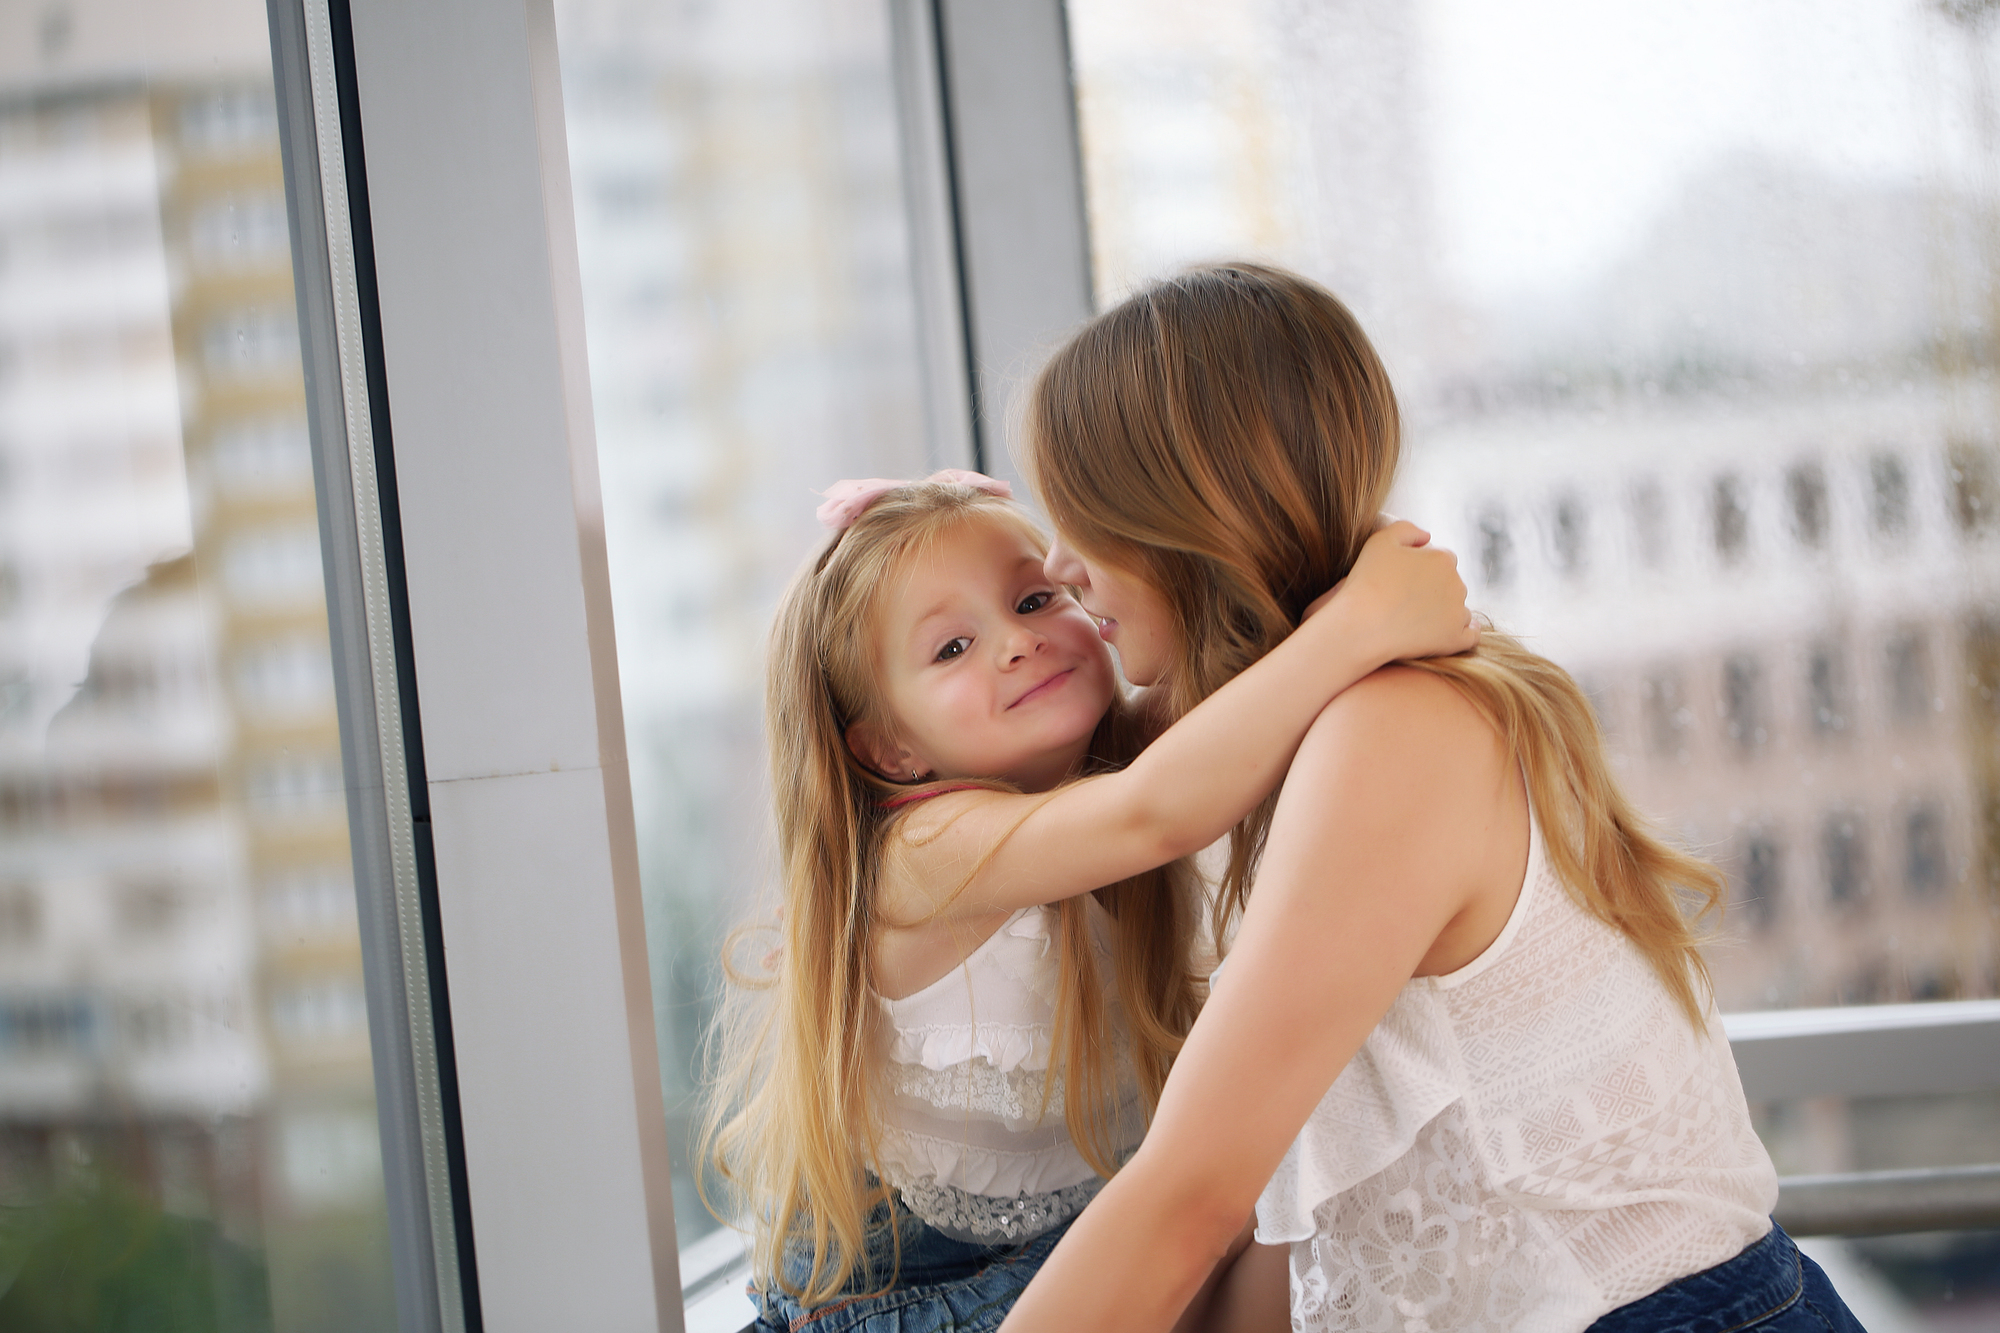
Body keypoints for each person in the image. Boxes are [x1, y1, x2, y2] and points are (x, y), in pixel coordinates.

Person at [998, 263, 1865, 1333]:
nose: (1056, 561)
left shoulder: (1394, 731)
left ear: (1182, 515)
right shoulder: (1326, 732)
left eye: (1077, 514)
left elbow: (1189, 1196)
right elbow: (1321, 1235)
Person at [705, 470, 1477, 1333]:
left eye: (1034, 599)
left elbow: (1249, 685)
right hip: (903, 1300)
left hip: (1068, 1245)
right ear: (889, 745)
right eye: (952, 649)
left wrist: (1353, 565)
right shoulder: (915, 855)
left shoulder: (1126, 762)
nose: (1017, 641)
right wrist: (1363, 623)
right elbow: (1157, 812)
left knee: (1309, 1169)